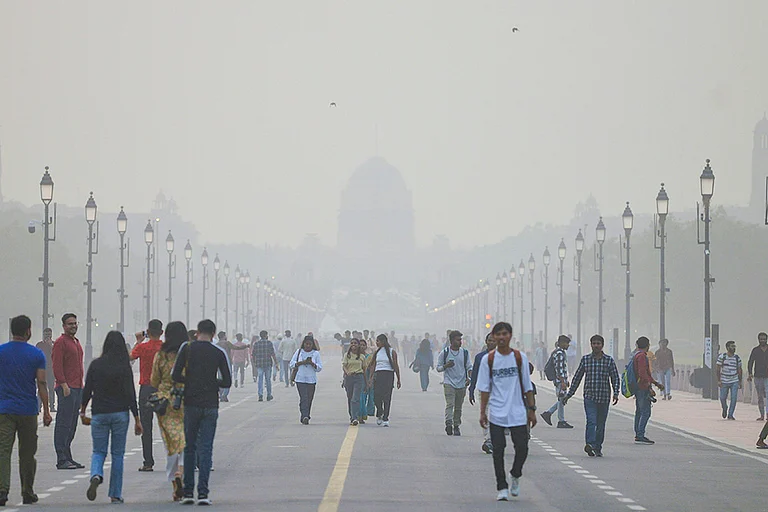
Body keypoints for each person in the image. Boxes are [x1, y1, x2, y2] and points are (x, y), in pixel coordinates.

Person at [172, 319, 232, 506]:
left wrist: (190, 380)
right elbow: (227, 381)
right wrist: (211, 383)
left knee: (189, 447)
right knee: (206, 449)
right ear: (214, 334)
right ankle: (204, 494)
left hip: (191, 403)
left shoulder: (187, 348)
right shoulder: (218, 352)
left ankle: (188, 492)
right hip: (210, 404)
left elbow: (175, 375)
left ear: (197, 332)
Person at [81, 331, 142, 504]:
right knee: (117, 455)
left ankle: (96, 474)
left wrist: (82, 411)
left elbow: (87, 390)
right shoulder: (124, 367)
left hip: (99, 413)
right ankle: (115, 493)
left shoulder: (96, 365)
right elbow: (131, 394)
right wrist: (137, 418)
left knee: (98, 451)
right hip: (120, 414)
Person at [477, 322, 535, 501]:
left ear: (510, 336)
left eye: (505, 334)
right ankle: (501, 487)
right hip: (497, 412)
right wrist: (482, 412)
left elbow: (527, 386)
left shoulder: (519, 358)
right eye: (498, 334)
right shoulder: (489, 360)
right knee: (498, 451)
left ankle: (515, 474)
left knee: (522, 448)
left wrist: (531, 410)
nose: (501, 337)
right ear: (493, 337)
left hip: (517, 411)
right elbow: (484, 389)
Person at [0, 315, 52, 506]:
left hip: (4, 409)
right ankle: (27, 491)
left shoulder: (1, 352)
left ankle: (2, 490)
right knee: (27, 453)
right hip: (28, 410)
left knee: (3, 451)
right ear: (28, 331)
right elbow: (42, 382)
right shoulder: (36, 354)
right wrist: (46, 410)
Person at [563, 334, 620, 457]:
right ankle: (590, 444)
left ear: (602, 345)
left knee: (601, 425)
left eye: (598, 343)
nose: (596, 345)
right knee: (591, 421)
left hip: (604, 397)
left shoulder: (609, 360)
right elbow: (577, 377)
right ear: (591, 345)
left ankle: (598, 447)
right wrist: (569, 394)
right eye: (594, 343)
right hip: (590, 396)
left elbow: (615, 378)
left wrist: (616, 393)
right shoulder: (586, 360)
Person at [150, 321, 188, 501]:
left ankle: (174, 482)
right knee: (186, 439)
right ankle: (182, 471)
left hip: (165, 402)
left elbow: (153, 380)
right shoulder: (188, 354)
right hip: (186, 399)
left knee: (171, 441)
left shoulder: (161, 355)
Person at [130, 319, 164, 472]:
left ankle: (148, 462)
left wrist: (139, 340)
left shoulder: (143, 347)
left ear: (148, 332)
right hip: (163, 389)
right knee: (168, 426)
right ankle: (176, 459)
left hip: (146, 389)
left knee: (146, 426)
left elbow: (130, 357)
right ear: (162, 333)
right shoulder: (165, 348)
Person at [52, 313, 85, 470]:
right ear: (64, 326)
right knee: (63, 423)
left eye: (75, 323)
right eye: (70, 324)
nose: (73, 326)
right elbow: (57, 366)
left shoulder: (76, 342)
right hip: (66, 388)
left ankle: (68, 455)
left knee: (72, 424)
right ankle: (61, 458)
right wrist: (64, 385)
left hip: (77, 387)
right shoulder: (60, 343)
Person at [438, 330, 472, 436]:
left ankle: (456, 425)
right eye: (458, 340)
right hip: (449, 382)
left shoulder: (465, 353)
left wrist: (469, 378)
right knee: (450, 404)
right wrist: (446, 366)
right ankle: (449, 423)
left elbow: (469, 367)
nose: (460, 342)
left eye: (460, 340)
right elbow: (438, 368)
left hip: (461, 383)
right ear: (452, 340)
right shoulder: (445, 353)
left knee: (458, 406)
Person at [631, 336, 664, 444]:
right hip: (642, 387)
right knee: (646, 412)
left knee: (639, 411)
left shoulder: (636, 355)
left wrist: (654, 383)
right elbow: (643, 374)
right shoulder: (642, 357)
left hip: (638, 387)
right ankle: (640, 434)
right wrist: (651, 386)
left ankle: (638, 433)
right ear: (647, 345)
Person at [469, 333, 497, 454]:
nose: (491, 343)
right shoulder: (480, 357)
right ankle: (488, 439)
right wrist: (471, 390)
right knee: (485, 414)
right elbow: (474, 374)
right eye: (489, 340)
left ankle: (491, 439)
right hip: (484, 390)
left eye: (493, 341)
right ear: (486, 341)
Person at [541, 335, 574, 429]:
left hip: (560, 380)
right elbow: (559, 369)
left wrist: (565, 380)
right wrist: (563, 381)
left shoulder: (559, 352)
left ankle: (549, 414)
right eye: (567, 343)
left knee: (562, 399)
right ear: (562, 343)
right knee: (562, 399)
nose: (568, 345)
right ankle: (560, 420)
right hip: (559, 381)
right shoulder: (559, 353)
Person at [290, 336, 323, 424]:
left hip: (311, 380)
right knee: (303, 398)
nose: (308, 346)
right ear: (303, 344)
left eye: (309, 344)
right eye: (306, 344)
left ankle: (307, 414)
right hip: (300, 379)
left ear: (312, 345)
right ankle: (304, 415)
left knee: (309, 398)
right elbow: (291, 364)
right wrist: (302, 363)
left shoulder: (316, 353)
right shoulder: (299, 352)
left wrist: (312, 364)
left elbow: (319, 368)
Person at [370, 334, 402, 427]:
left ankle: (385, 418)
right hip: (378, 375)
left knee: (387, 397)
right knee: (376, 397)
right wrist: (370, 378)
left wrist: (398, 379)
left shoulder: (392, 352)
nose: (376, 343)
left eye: (378, 341)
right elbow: (373, 365)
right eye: (376, 341)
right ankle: (380, 412)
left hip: (388, 375)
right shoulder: (377, 352)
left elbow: (396, 365)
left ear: (383, 341)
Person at [716, 341, 743, 420]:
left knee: (734, 398)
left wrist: (740, 381)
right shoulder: (722, 357)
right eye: (732, 346)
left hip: (734, 380)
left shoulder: (737, 358)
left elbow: (739, 369)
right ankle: (725, 408)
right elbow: (718, 368)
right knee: (722, 398)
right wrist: (719, 380)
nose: (734, 348)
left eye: (734, 346)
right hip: (724, 380)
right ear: (727, 348)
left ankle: (730, 414)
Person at [342, 339, 366, 426]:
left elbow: (364, 369)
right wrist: (347, 372)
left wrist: (366, 383)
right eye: (352, 343)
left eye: (355, 343)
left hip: (359, 377)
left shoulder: (362, 357)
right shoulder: (347, 355)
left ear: (358, 345)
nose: (353, 345)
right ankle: (352, 417)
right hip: (349, 378)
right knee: (350, 398)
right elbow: (344, 366)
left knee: (355, 398)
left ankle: (355, 417)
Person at [252, 331, 278, 401]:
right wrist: (276, 363)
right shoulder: (269, 343)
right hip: (267, 364)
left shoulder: (256, 343)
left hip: (259, 364)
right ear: (266, 335)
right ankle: (269, 395)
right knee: (268, 380)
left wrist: (255, 362)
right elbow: (273, 354)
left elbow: (253, 354)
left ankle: (260, 394)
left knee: (260, 379)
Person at [747, 332, 768, 421]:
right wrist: (750, 373)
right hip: (758, 376)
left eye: (764, 339)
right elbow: (750, 361)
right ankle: (762, 415)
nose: (762, 340)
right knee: (760, 396)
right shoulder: (755, 350)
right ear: (758, 340)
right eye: (761, 339)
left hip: (767, 376)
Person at [35, 328, 56, 412]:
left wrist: (51, 346)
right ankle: (39, 406)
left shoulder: (54, 344)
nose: (48, 336)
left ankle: (52, 406)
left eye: (49, 334)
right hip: (41, 370)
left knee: (51, 388)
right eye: (46, 334)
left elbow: (55, 356)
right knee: (41, 388)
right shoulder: (39, 345)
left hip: (51, 370)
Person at [358, 339, 375, 423]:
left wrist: (370, 379)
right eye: (360, 345)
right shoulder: (353, 356)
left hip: (366, 378)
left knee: (364, 398)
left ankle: (362, 415)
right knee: (358, 398)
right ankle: (358, 415)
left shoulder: (369, 357)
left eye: (363, 345)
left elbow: (372, 368)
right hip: (357, 379)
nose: (362, 347)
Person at [214, 332, 233, 402]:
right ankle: (224, 395)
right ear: (224, 336)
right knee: (228, 378)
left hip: (219, 363)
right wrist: (245, 346)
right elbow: (236, 347)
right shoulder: (227, 343)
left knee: (220, 378)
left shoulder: (217, 344)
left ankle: (221, 394)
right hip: (227, 363)